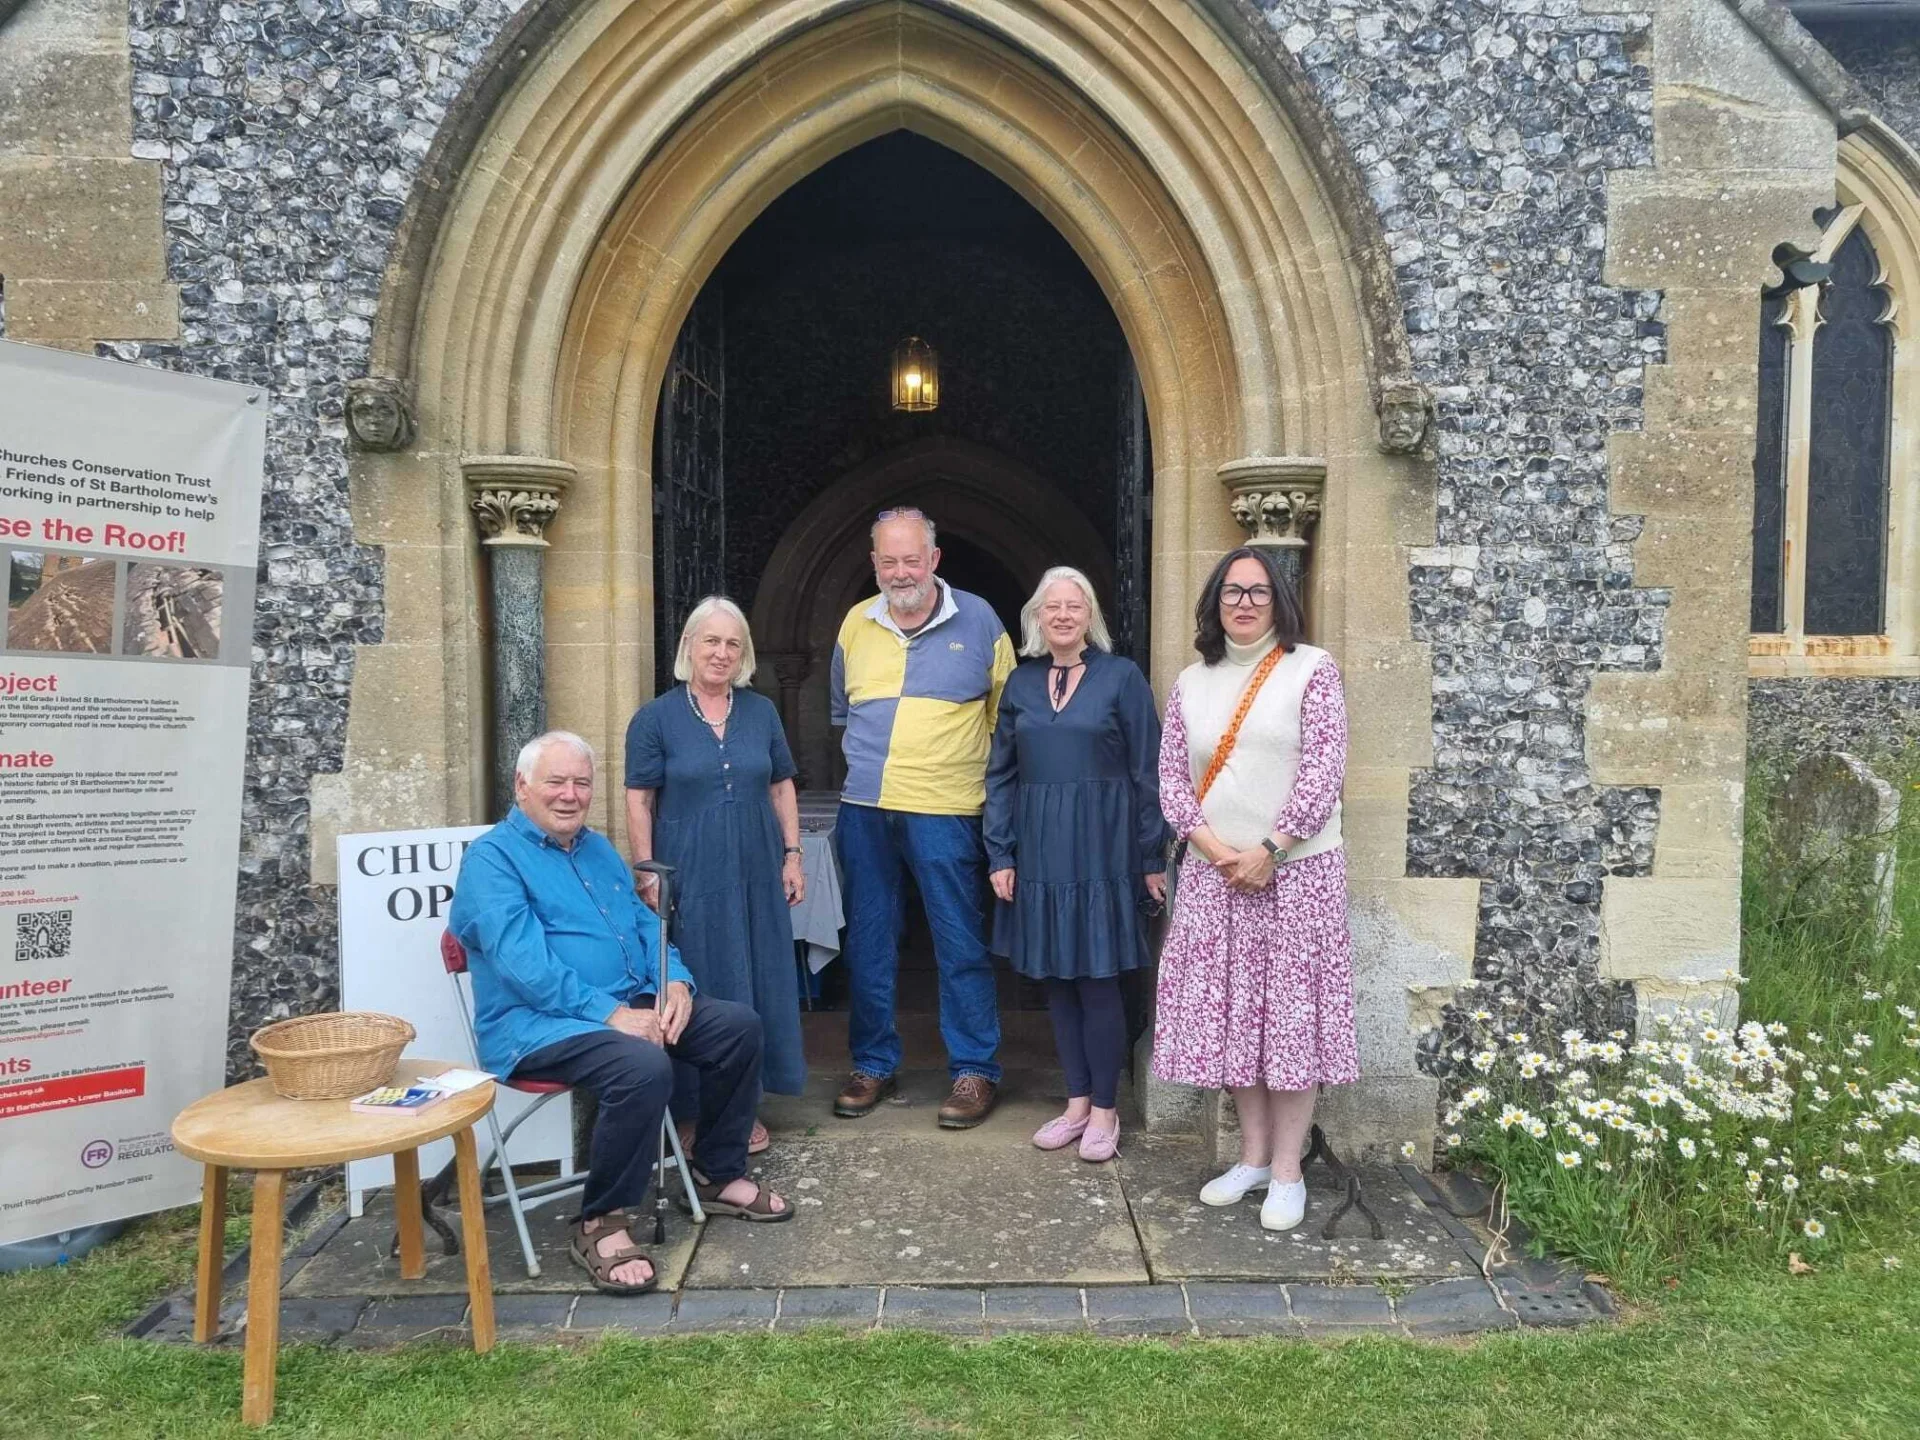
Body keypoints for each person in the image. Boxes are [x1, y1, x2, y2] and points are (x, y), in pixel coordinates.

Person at [448, 731, 791, 1297]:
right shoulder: (492, 861)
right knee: (641, 1066)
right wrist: (608, 1014)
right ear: (522, 786)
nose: (570, 795)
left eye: (581, 783)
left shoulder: (598, 849)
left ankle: (715, 1171)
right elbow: (522, 965)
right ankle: (600, 1222)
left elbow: (643, 925)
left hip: (623, 1008)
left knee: (737, 1028)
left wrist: (675, 980)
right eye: (556, 782)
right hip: (536, 1025)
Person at [1151, 547, 1359, 1233]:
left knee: (1290, 1020)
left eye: (1258, 591)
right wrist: (1215, 850)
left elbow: (1325, 769)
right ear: (1214, 601)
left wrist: (1271, 848)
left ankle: (1291, 1171)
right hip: (1217, 877)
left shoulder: (1313, 670)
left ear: (1279, 601)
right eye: (1232, 591)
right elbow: (1173, 780)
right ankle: (1253, 1159)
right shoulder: (1192, 681)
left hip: (1298, 873)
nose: (1244, 602)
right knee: (1236, 1016)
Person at [829, 506, 1016, 1128]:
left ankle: (973, 1071)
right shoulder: (855, 623)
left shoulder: (982, 619)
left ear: (935, 560)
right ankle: (873, 1064)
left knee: (958, 941)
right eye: (889, 560)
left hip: (947, 807)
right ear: (874, 565)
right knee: (870, 941)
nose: (901, 571)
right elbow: (841, 712)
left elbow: (1004, 719)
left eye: (913, 559)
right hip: (865, 809)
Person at [984, 567, 1165, 1162]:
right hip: (1038, 848)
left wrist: (1150, 856)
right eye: (1052, 606)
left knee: (1098, 978)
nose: (1063, 615)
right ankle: (1076, 1103)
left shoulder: (1123, 677)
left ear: (1090, 616)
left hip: (1102, 846)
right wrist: (1000, 852)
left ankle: (1107, 1112)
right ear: (1037, 616)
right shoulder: (1020, 684)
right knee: (1058, 981)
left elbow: (1148, 772)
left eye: (1075, 605)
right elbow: (1001, 774)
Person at [626, 597, 806, 1155]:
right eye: (711, 641)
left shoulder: (762, 713)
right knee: (699, 979)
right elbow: (639, 800)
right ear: (688, 647)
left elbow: (781, 785)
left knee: (758, 976)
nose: (721, 653)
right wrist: (648, 872)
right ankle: (690, 1109)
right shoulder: (655, 718)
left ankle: (740, 1107)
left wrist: (793, 854)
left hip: (756, 863)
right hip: (691, 870)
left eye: (733, 644)